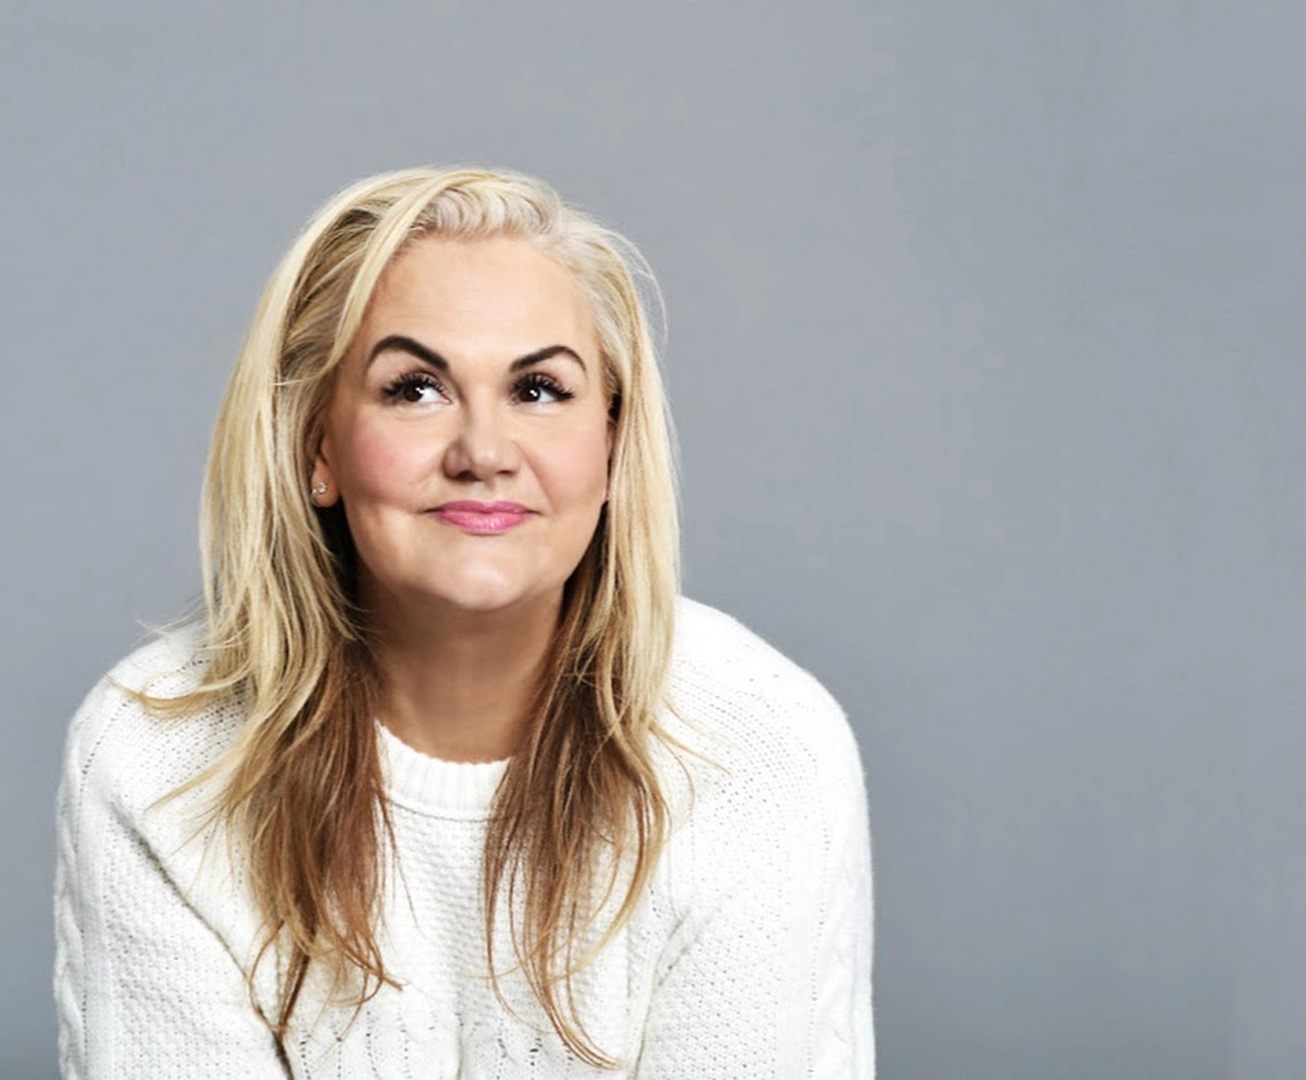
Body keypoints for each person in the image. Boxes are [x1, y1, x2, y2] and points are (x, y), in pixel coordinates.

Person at [53, 166, 873, 1078]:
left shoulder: (759, 753)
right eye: (415, 388)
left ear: (610, 443)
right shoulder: (156, 760)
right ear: (316, 447)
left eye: (538, 391)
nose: (483, 453)